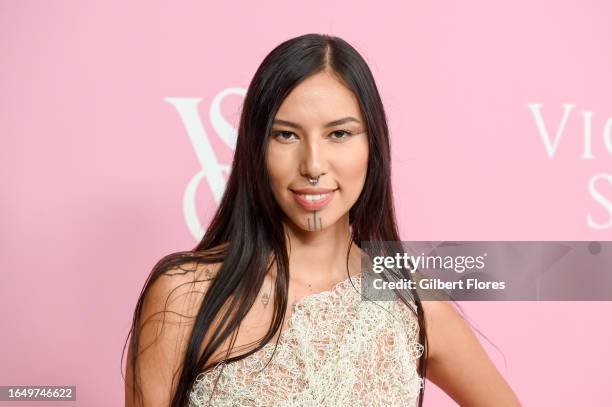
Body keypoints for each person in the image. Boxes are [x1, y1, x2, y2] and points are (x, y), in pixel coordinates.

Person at [123, 33, 523, 407]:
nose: (313, 165)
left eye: (339, 134)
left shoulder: (410, 302)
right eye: (286, 135)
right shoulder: (185, 295)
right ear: (254, 148)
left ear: (373, 145)